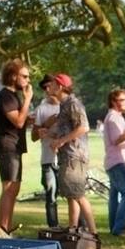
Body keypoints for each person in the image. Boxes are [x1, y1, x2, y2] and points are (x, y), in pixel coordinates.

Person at [44, 74, 96, 236]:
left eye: (52, 84)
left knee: (78, 195)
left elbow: (84, 127)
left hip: (75, 157)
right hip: (68, 156)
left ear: (60, 86)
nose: (49, 86)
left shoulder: (73, 104)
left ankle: (93, 234)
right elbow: (65, 129)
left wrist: (61, 142)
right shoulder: (64, 105)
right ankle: (73, 230)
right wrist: (49, 134)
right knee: (71, 195)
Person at [0, 59, 33, 234]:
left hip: (15, 147)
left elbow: (22, 119)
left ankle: (6, 227)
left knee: (14, 189)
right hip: (7, 146)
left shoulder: (13, 96)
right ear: (13, 76)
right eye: (24, 76)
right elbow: (18, 121)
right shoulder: (6, 96)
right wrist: (28, 100)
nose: (27, 80)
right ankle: (3, 228)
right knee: (9, 189)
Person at [103, 87, 125, 237]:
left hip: (114, 161)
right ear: (113, 102)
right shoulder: (113, 118)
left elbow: (122, 140)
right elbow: (116, 140)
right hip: (118, 162)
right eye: (122, 100)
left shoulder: (116, 117)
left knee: (115, 197)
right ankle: (119, 228)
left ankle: (114, 227)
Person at [30, 74, 61, 228]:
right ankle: (53, 227)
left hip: (65, 158)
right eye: (45, 88)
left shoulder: (66, 106)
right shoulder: (42, 108)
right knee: (51, 194)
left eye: (50, 86)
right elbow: (33, 136)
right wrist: (45, 126)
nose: (48, 90)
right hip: (48, 159)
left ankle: (78, 226)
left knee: (72, 195)